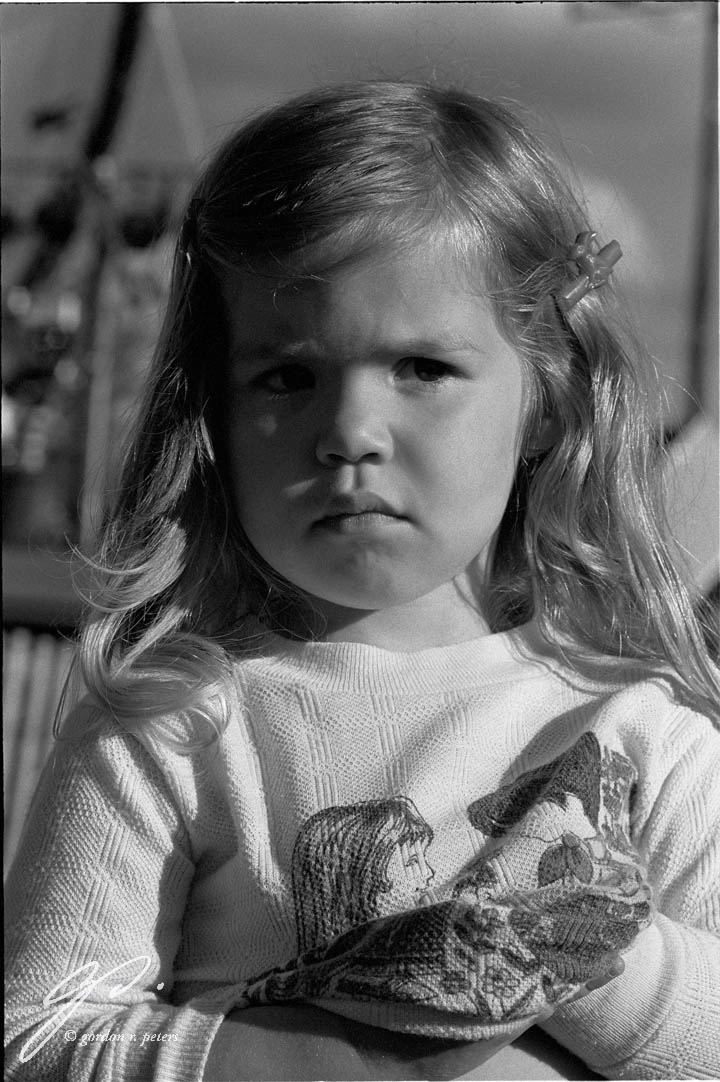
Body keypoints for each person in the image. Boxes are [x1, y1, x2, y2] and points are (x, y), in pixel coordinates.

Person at [5, 81, 719, 1082]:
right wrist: (335, 1065)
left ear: (548, 404)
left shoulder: (644, 739)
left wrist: (583, 951)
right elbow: (38, 1039)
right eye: (287, 376)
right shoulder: (170, 722)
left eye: (422, 368)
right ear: (212, 414)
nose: (348, 430)